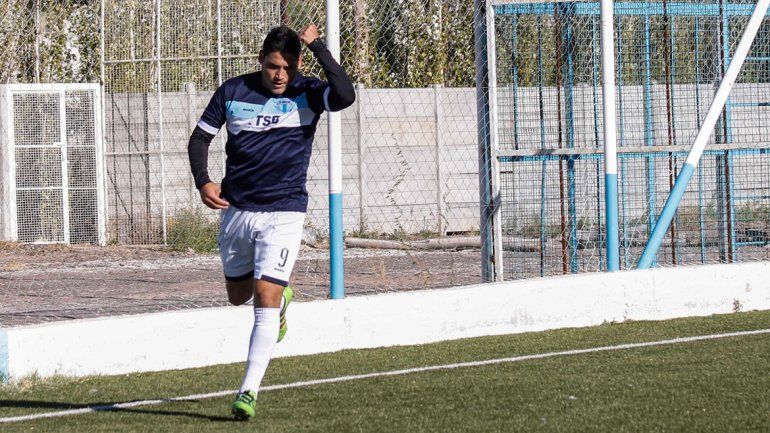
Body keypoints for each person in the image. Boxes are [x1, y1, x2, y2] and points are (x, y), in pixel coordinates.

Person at [187, 23, 355, 420]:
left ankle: (248, 392)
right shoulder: (233, 91)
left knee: (263, 300)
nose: (280, 75)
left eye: (288, 68)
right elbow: (200, 139)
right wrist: (203, 181)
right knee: (237, 296)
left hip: (284, 211)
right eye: (273, 66)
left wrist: (316, 46)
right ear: (261, 61)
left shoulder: (308, 93)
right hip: (237, 211)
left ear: (297, 65)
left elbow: (345, 94)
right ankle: (282, 304)